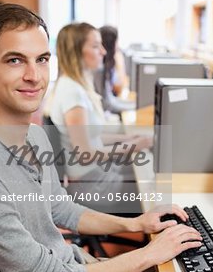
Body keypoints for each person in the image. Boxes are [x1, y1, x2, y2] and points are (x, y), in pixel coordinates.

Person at [0, 3, 202, 272]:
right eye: (14, 60)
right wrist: (149, 251)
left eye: (42, 59)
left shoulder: (35, 137)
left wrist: (136, 224)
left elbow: (60, 207)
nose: (35, 76)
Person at [50, 22, 150, 213]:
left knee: (145, 169)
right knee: (153, 187)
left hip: (95, 175)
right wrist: (132, 147)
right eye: (96, 46)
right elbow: (85, 153)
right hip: (92, 185)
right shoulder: (72, 93)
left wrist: (127, 139)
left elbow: (92, 136)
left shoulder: (76, 86)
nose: (103, 51)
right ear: (76, 52)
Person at [95, 25, 134, 115]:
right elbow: (108, 103)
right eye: (117, 42)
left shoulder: (106, 66)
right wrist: (134, 106)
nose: (118, 46)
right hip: (105, 115)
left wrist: (134, 105)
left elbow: (111, 98)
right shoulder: (99, 69)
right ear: (111, 44)